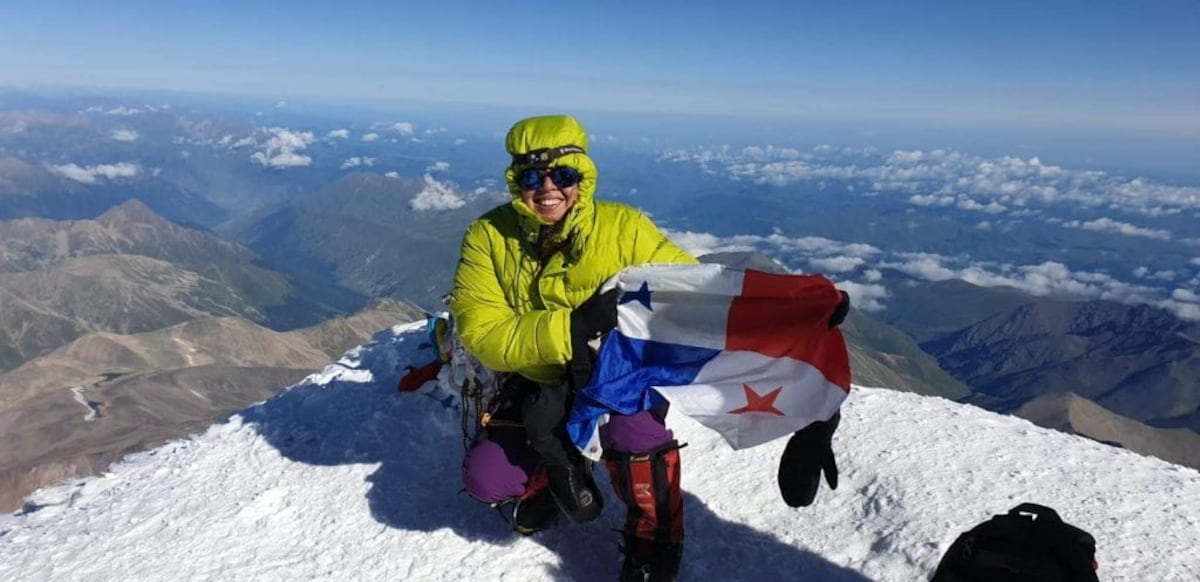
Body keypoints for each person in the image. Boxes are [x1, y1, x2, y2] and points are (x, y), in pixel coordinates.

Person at [449, 114, 697, 581]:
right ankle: (554, 476)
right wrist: (574, 328)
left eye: (563, 175)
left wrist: (788, 310)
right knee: (488, 479)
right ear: (514, 181)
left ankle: (655, 541)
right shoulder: (488, 236)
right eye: (530, 177)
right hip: (538, 376)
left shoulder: (624, 228)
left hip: (618, 377)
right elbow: (482, 334)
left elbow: (692, 292)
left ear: (584, 176)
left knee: (635, 439)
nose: (548, 188)